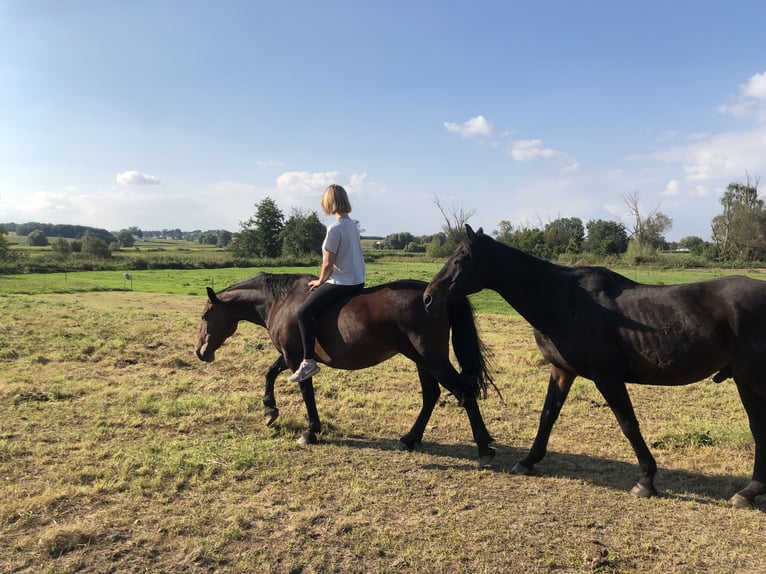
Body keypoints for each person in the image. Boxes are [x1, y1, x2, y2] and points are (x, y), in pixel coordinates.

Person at [288, 184, 366, 382]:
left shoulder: (335, 228)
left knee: (303, 313)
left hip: (342, 282)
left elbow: (328, 262)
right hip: (357, 281)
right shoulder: (352, 226)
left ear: (329, 202)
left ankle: (308, 362)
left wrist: (321, 280)